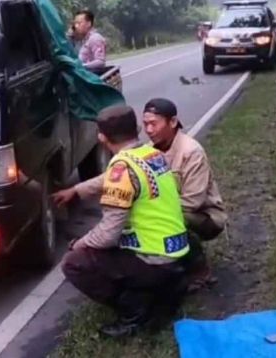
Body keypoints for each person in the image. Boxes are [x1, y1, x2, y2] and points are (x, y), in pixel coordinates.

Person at [53, 98, 226, 289]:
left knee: (150, 219)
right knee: (143, 217)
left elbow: (193, 201)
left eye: (154, 124)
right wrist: (77, 190)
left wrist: (148, 205)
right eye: (146, 124)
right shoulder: (151, 151)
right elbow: (117, 176)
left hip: (204, 215)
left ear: (173, 122)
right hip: (176, 211)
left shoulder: (191, 152)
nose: (149, 130)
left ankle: (197, 269)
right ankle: (172, 266)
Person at [61, 104, 190, 338]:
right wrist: (77, 190)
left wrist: (80, 243)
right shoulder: (151, 154)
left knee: (75, 261)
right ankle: (166, 287)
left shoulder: (122, 168)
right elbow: (113, 176)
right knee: (102, 241)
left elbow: (107, 235)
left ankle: (135, 312)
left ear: (101, 137)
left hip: (155, 260)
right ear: (138, 128)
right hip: (177, 250)